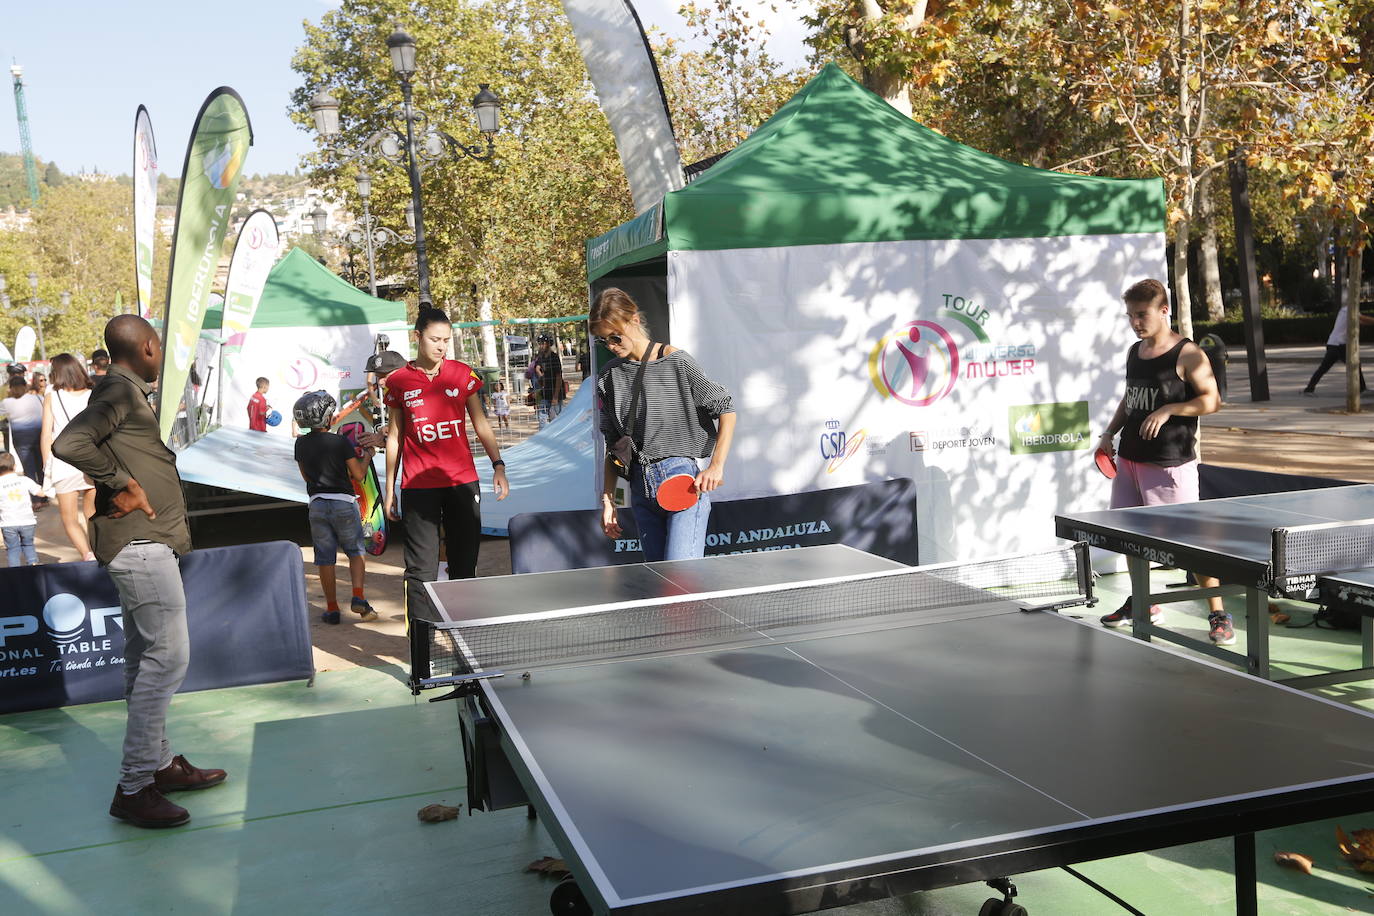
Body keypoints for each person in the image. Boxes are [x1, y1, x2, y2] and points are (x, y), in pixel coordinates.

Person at [52, 314, 226, 830]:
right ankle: (134, 787)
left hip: (141, 543)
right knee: (167, 658)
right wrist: (123, 483)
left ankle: (160, 764)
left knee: (143, 659)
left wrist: (122, 479)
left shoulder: (120, 391)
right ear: (148, 347)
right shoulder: (120, 394)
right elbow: (69, 445)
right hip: (140, 544)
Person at [1095, 279, 1230, 643]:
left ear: (1164, 310)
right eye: (1130, 316)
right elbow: (1131, 399)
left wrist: (1171, 408)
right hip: (1130, 461)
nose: (1135, 322)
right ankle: (1144, 602)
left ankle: (1218, 614)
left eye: (1142, 314)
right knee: (1129, 538)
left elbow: (1212, 401)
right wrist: (1109, 433)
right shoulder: (1134, 352)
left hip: (1170, 464)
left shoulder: (1187, 354)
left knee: (1190, 544)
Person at [591, 288, 736, 562]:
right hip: (639, 488)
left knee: (679, 585)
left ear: (634, 319)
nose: (611, 345)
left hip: (680, 481)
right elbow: (614, 445)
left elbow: (726, 409)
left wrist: (716, 466)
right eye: (603, 340)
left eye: (614, 336)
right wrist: (608, 500)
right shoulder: (608, 376)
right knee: (658, 584)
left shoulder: (676, 361)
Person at [383, 307, 508, 620]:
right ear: (418, 337)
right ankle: (422, 652)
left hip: (462, 483)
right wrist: (389, 490)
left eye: (446, 340)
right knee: (420, 571)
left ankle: (465, 642)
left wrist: (498, 465)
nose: (441, 346)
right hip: (418, 487)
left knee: (464, 567)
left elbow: (480, 424)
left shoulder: (463, 374)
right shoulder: (398, 381)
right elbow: (395, 438)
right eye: (434, 339)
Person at [293, 390, 379, 625]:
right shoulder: (340, 442)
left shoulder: (300, 444)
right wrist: (369, 455)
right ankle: (358, 597)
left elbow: (306, 478)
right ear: (328, 417)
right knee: (355, 551)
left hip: (317, 505)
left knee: (325, 558)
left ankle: (332, 609)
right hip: (343, 503)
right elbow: (359, 475)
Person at [41, 353, 97, 561]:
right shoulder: (93, 394)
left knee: (69, 518)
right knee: (92, 514)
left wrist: (47, 464)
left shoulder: (51, 395)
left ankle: (87, 555)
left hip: (64, 463)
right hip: (91, 461)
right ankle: (99, 550)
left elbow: (46, 433)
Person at [1303, 304, 1373, 396]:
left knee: (1324, 368)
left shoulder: (1345, 311)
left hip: (1334, 343)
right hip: (1339, 345)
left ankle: (1309, 389)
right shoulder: (1348, 309)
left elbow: (1361, 321)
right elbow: (1363, 318)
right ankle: (1362, 389)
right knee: (1355, 364)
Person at [1, 376, 44, 492]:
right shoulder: (38, 398)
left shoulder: (6, 402)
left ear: (10, 388)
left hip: (20, 438)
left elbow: (2, 416)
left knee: (28, 468)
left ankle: (36, 500)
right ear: (26, 386)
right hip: (39, 436)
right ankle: (44, 493)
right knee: (42, 466)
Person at [0, 452, 42, 566]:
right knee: (28, 545)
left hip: (8, 523)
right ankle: (33, 566)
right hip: (27, 521)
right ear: (14, 466)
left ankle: (14, 572)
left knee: (13, 549)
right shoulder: (24, 480)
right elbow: (40, 492)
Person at [533, 334, 565, 427]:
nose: (541, 345)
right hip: (545, 392)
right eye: (540, 343)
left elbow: (558, 377)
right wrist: (542, 378)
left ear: (548, 344)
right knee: (542, 418)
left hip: (556, 392)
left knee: (557, 419)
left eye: (543, 343)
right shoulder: (541, 357)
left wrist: (555, 396)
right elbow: (537, 368)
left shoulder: (554, 357)